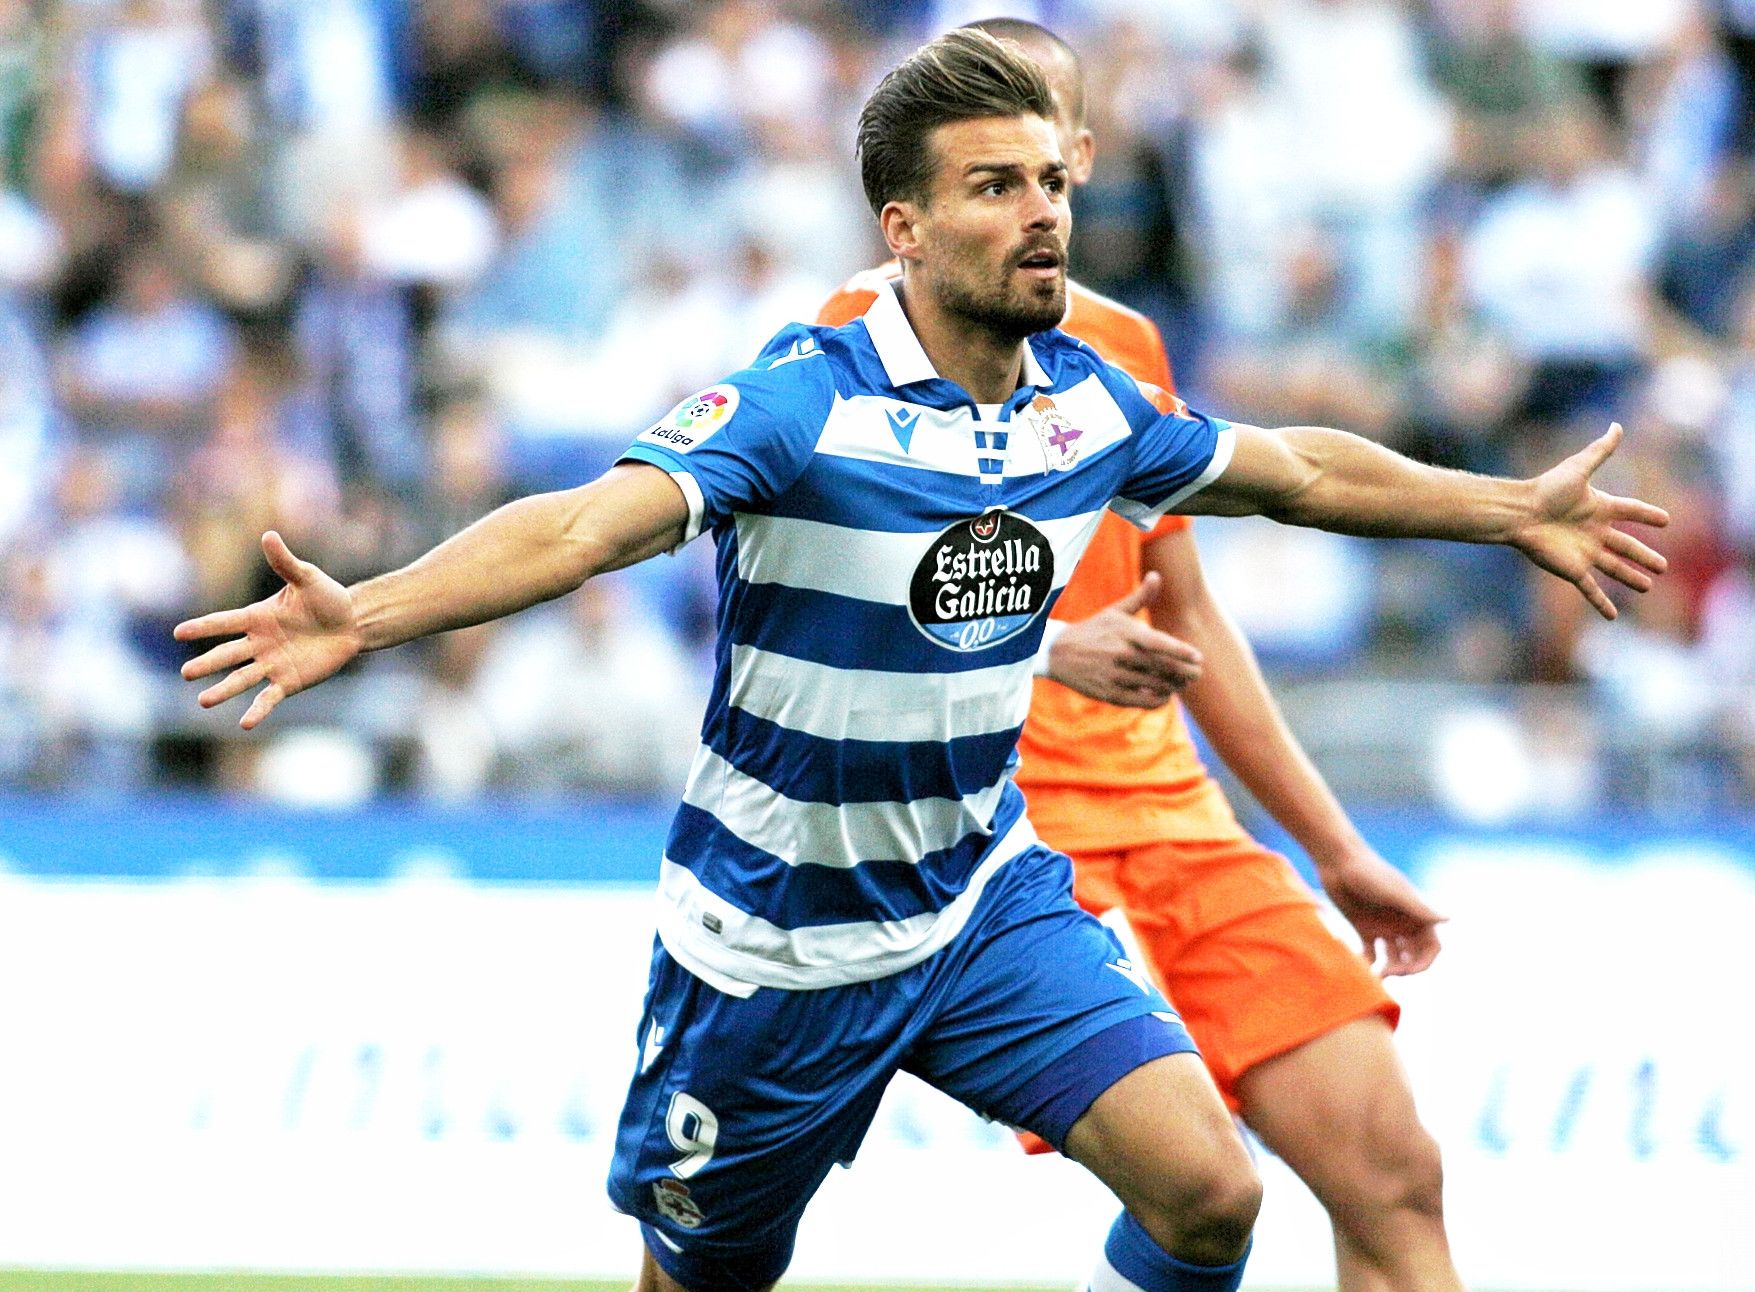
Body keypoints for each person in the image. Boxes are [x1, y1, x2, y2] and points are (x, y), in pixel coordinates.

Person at [175, 29, 1667, 1292]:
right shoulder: (796, 401)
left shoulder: (1085, 397)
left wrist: (1503, 506)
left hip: (976, 904)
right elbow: (582, 528)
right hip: (771, 943)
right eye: (993, 187)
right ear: (901, 226)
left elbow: (1295, 474)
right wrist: (362, 616)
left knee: (1212, 1198)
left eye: (1050, 183)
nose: (1042, 216)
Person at [818, 20, 1465, 1290]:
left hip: (1176, 817)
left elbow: (1185, 616)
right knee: (1203, 1184)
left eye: (1045, 153)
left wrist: (1332, 845)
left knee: (1392, 1166)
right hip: (1006, 831)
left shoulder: (1124, 349)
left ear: (1079, 155)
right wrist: (1053, 650)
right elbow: (832, 603)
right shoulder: (845, 347)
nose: (1031, 184)